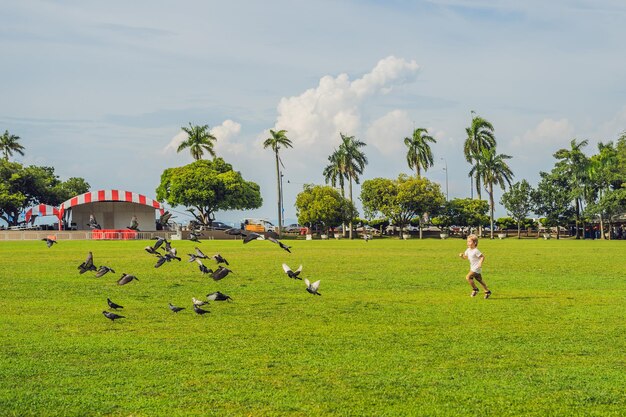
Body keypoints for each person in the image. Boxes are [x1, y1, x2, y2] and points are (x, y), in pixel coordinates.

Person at [459, 234, 492, 299]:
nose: (468, 243)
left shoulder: (476, 251)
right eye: (467, 241)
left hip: (476, 268)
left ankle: (475, 289)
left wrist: (480, 264)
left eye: (469, 241)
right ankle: (487, 291)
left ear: (475, 243)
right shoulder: (468, 250)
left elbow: (482, 257)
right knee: (479, 280)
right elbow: (465, 257)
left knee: (468, 277)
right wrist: (462, 256)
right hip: (473, 267)